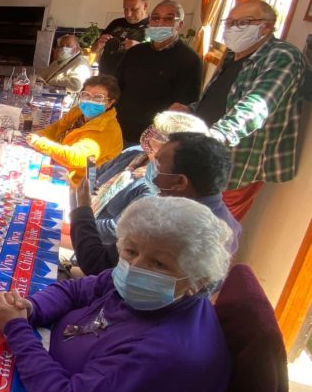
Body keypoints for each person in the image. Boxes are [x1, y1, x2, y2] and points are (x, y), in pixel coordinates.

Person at [0, 196, 231, 392]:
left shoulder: (168, 355)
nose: (136, 267)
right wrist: (31, 308)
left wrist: (17, 330)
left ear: (198, 280)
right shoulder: (150, 291)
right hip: (53, 384)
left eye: (159, 264)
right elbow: (77, 289)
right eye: (131, 251)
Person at [179, 0, 308, 221]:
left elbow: (256, 107)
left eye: (244, 22)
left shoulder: (282, 57)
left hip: (235, 165)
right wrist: (190, 110)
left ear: (267, 27)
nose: (233, 28)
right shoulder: (232, 54)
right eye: (230, 22)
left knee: (214, 232)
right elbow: (220, 98)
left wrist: (215, 136)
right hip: (200, 153)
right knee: (184, 221)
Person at [73, 132, 241, 276]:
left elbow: (95, 263)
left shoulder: (164, 223)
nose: (152, 172)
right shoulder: (228, 223)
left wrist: (83, 209)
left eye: (158, 164)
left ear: (180, 182)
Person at [85, 110, 210, 245]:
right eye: (152, 128)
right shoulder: (134, 153)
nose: (149, 135)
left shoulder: (158, 187)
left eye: (158, 134)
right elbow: (93, 177)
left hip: (97, 245)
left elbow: (116, 229)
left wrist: (79, 223)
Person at [114, 0, 202, 145]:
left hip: (154, 139)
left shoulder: (189, 60)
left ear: (179, 25)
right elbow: (116, 84)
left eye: (168, 19)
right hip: (119, 129)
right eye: (155, 18)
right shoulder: (135, 52)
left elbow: (183, 106)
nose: (160, 23)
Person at [27, 75, 124, 185]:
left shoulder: (107, 130)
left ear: (109, 102)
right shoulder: (78, 111)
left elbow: (76, 158)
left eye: (98, 98)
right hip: (59, 165)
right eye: (86, 95)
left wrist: (40, 143)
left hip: (76, 183)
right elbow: (57, 127)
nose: (90, 100)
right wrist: (39, 135)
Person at [92, 0, 150, 76]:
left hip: (130, 82)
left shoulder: (154, 28)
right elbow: (94, 50)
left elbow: (158, 61)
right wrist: (98, 45)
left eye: (134, 9)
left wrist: (139, 48)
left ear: (145, 6)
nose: (128, 14)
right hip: (104, 77)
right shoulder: (116, 23)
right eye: (125, 9)